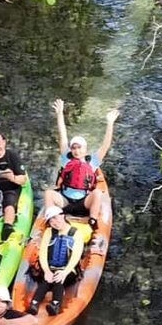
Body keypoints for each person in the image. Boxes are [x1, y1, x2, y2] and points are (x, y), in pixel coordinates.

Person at [44, 99, 120, 230]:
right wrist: (60, 114)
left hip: (83, 202)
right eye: (74, 148)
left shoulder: (93, 162)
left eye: (79, 148)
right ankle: (52, 219)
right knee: (48, 194)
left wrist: (110, 123)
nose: (76, 151)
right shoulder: (66, 159)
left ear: (85, 149)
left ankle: (92, 221)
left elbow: (105, 145)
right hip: (65, 200)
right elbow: (63, 136)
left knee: (97, 193)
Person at [28, 205, 84, 317]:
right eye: (51, 220)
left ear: (62, 216)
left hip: (68, 271)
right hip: (50, 267)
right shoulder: (49, 232)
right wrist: (47, 270)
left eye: (56, 218)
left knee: (58, 279)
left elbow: (76, 256)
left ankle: (55, 304)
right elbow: (43, 253)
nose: (54, 222)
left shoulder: (76, 233)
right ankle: (34, 304)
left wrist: (65, 272)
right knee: (46, 280)